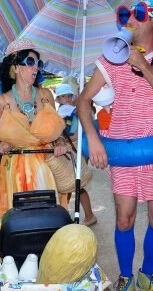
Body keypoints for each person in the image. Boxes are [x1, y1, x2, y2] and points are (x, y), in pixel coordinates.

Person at [77, 0, 153, 291]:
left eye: (137, 15)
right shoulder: (112, 56)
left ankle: (147, 275)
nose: (130, 19)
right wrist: (92, 137)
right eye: (125, 15)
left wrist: (142, 64)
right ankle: (126, 276)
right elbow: (83, 99)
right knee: (124, 219)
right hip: (124, 152)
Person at [0, 38, 68, 219]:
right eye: (31, 62)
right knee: (20, 226)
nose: (36, 68)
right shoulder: (1, 102)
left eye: (38, 63)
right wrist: (1, 145)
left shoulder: (46, 95)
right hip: (16, 173)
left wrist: (59, 142)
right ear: (15, 67)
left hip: (47, 168)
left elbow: (58, 134)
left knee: (47, 222)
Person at [54, 83, 97, 226]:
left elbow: (74, 133)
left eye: (68, 95)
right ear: (58, 99)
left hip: (74, 149)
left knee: (75, 184)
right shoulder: (65, 111)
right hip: (72, 148)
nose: (66, 98)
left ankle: (88, 215)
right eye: (63, 96)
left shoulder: (71, 111)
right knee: (70, 184)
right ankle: (68, 215)